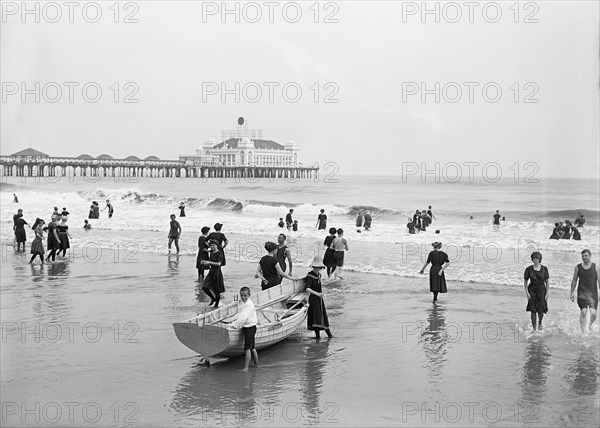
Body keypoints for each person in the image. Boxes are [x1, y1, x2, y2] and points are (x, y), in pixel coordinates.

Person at [570, 249, 600, 334]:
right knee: (583, 312)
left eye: (586, 255)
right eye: (582, 256)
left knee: (593, 313)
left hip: (593, 293)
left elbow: (599, 280)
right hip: (581, 293)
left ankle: (590, 325)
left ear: (590, 256)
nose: (584, 257)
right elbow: (574, 280)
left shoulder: (596, 267)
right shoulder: (578, 267)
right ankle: (583, 332)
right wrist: (571, 292)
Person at [304, 257, 333, 339]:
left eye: (319, 267)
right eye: (316, 267)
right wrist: (317, 294)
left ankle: (328, 335)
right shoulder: (310, 276)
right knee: (316, 317)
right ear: (313, 267)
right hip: (313, 299)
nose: (318, 269)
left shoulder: (319, 275)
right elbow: (307, 288)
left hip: (319, 299)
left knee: (322, 316)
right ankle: (319, 336)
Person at [230, 287, 259, 371]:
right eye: (242, 295)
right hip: (251, 327)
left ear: (249, 295)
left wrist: (236, 325)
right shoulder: (245, 303)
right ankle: (256, 365)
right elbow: (240, 315)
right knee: (252, 347)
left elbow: (243, 318)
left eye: (245, 295)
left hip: (249, 328)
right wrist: (232, 320)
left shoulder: (249, 305)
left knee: (247, 348)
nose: (243, 297)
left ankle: (246, 368)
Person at [523, 251, 549, 331]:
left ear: (540, 259)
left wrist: (547, 293)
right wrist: (527, 292)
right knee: (533, 310)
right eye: (534, 258)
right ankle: (534, 328)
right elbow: (525, 281)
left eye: (537, 258)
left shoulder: (544, 269)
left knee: (540, 309)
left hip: (541, 290)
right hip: (532, 289)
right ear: (532, 259)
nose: (535, 260)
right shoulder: (528, 269)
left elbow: (547, 282)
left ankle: (540, 323)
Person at [201, 240, 225, 307]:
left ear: (217, 245)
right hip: (211, 271)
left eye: (214, 245)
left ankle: (216, 305)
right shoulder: (211, 252)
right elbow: (210, 261)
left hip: (217, 272)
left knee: (217, 290)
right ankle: (213, 298)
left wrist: (209, 262)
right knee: (204, 287)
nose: (212, 247)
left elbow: (219, 264)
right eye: (211, 245)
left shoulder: (220, 253)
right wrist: (205, 262)